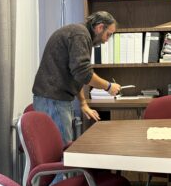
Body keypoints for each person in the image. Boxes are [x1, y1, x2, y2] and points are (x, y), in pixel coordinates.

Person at [32, 11, 121, 144]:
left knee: (60, 148)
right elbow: (83, 73)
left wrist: (83, 103)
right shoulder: (80, 34)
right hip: (53, 100)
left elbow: (76, 74)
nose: (106, 40)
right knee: (62, 150)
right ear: (99, 27)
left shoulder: (80, 33)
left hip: (52, 99)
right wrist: (108, 87)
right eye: (108, 34)